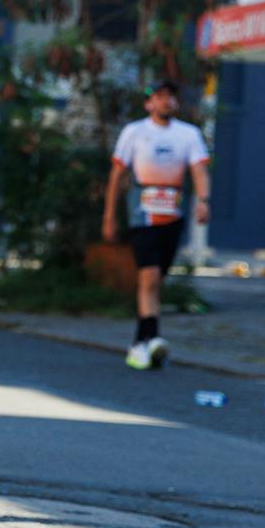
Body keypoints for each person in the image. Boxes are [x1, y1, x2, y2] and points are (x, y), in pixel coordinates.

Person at [102, 80, 211, 370]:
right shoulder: (135, 132)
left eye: (171, 97)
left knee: (156, 279)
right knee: (148, 277)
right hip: (143, 211)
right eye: (160, 97)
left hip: (172, 212)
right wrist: (109, 215)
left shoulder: (189, 134)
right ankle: (153, 337)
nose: (166, 102)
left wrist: (203, 200)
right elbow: (117, 175)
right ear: (149, 103)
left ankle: (140, 344)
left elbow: (199, 169)